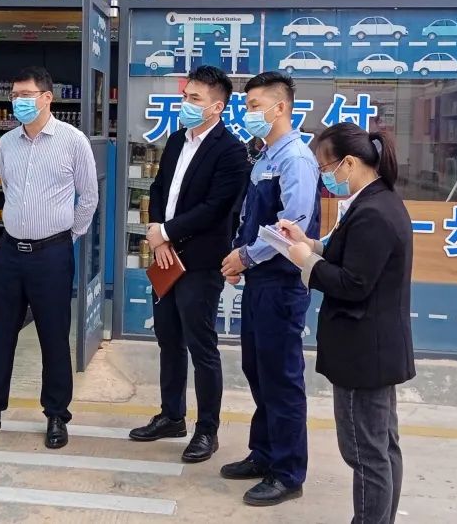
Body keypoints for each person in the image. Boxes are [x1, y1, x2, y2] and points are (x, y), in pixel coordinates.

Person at [0, 66, 98, 450]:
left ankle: (56, 414)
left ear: (47, 98)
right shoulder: (7, 143)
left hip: (52, 254)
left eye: (26, 95)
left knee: (53, 337)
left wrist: (67, 237)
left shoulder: (72, 141)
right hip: (9, 251)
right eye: (14, 95)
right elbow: (9, 190)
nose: (18, 101)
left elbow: (89, 197)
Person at [279, 123, 415, 524]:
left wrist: (305, 262)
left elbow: (353, 284)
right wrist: (308, 244)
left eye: (326, 168)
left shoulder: (373, 212)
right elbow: (350, 255)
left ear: (350, 163)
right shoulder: (374, 201)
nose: (325, 177)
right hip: (375, 348)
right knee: (383, 447)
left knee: (365, 453)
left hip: (363, 353)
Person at [129, 66, 248, 463]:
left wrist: (167, 233)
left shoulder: (231, 151)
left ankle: (207, 430)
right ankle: (171, 416)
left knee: (201, 346)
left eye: (195, 99)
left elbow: (215, 209)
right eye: (186, 96)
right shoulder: (178, 139)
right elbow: (160, 188)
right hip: (165, 258)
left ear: (217, 107)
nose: (186, 104)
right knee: (168, 339)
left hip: (199, 262)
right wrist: (156, 231)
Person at [219, 70, 321, 506]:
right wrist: (239, 256)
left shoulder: (295, 159)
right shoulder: (265, 156)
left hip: (282, 284)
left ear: (280, 108)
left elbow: (292, 225)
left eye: (254, 106)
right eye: (247, 106)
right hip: (260, 281)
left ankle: (288, 472)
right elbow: (252, 216)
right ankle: (263, 454)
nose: (249, 113)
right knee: (258, 370)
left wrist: (246, 256)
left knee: (281, 378)